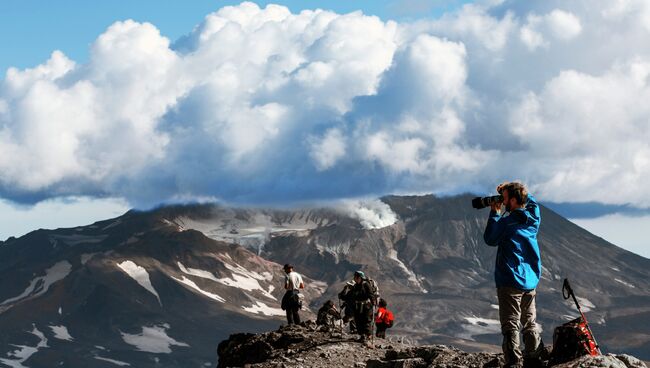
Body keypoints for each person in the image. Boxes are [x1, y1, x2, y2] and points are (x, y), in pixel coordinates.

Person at [483, 182, 544, 368]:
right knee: (529, 321)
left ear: (515, 199)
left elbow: (490, 239)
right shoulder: (533, 218)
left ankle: (514, 362)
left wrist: (494, 212)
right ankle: (534, 359)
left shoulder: (507, 222)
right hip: (530, 280)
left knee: (511, 325)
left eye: (506, 198)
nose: (503, 201)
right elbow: (532, 202)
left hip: (510, 280)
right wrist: (512, 188)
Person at [350, 271, 375, 344]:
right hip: (357, 306)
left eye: (356, 277)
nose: (354, 278)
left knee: (366, 320)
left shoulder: (366, 285)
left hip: (366, 306)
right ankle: (362, 335)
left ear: (360, 277)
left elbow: (371, 294)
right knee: (358, 321)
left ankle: (367, 336)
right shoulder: (355, 286)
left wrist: (373, 303)